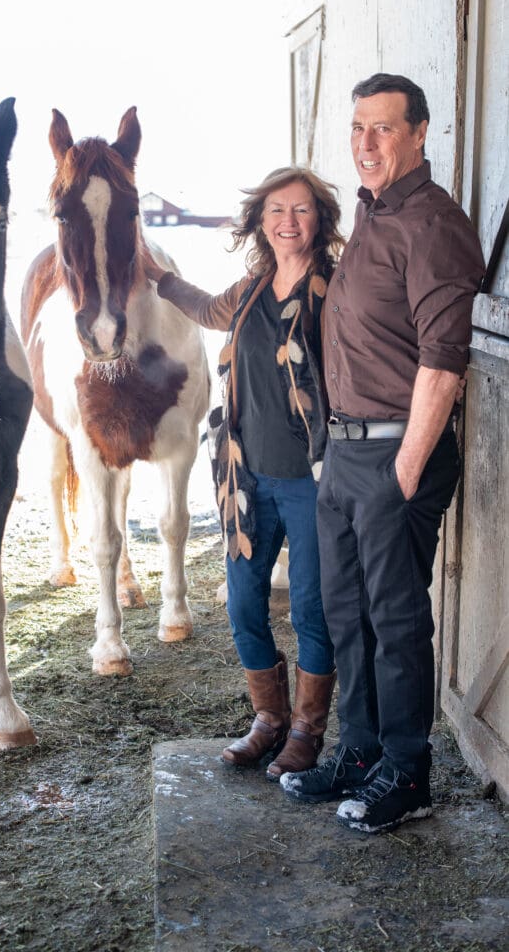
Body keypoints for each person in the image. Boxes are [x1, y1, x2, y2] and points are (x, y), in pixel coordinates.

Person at [280, 73, 485, 833]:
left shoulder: (431, 223)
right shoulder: (372, 214)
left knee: (395, 620)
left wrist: (400, 474)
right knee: (347, 613)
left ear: (421, 132)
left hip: (399, 454)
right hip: (347, 455)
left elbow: (444, 358)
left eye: (383, 129)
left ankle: (409, 770)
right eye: (358, 127)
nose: (365, 144)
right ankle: (361, 752)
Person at [143, 167, 343, 780]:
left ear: (320, 220)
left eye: (302, 210)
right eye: (276, 209)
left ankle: (307, 730)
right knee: (243, 605)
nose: (288, 220)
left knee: (311, 610)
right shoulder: (254, 287)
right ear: (260, 220)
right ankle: (269, 719)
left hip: (309, 484)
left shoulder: (332, 291)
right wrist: (160, 280)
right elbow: (207, 310)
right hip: (245, 479)